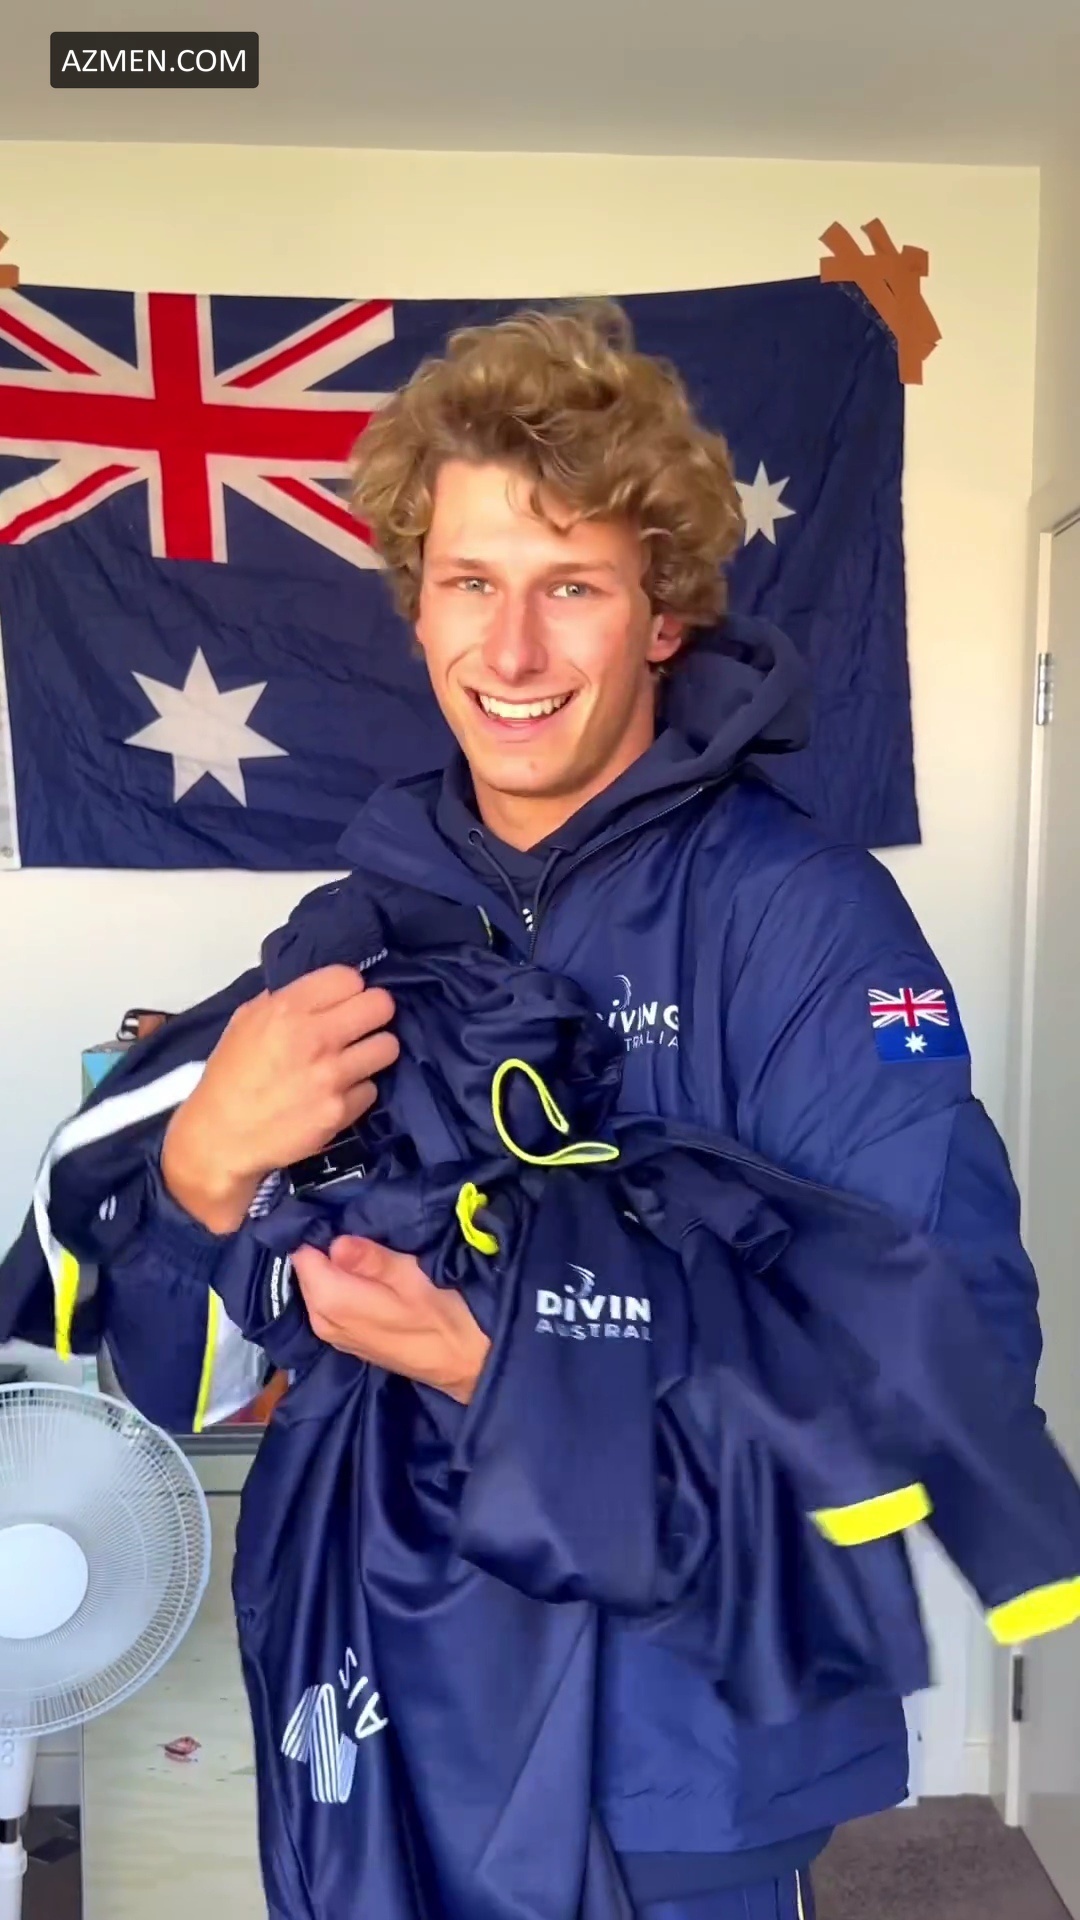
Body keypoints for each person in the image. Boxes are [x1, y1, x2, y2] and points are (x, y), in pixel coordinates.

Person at [38, 304, 1049, 1919]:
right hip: (379, 1724)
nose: (509, 654)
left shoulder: (800, 919)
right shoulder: (351, 930)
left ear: (664, 617)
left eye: (570, 585)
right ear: (418, 600)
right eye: (471, 583)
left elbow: (943, 1360)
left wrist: (498, 1370)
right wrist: (202, 1169)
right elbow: (175, 1383)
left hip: (675, 1765)